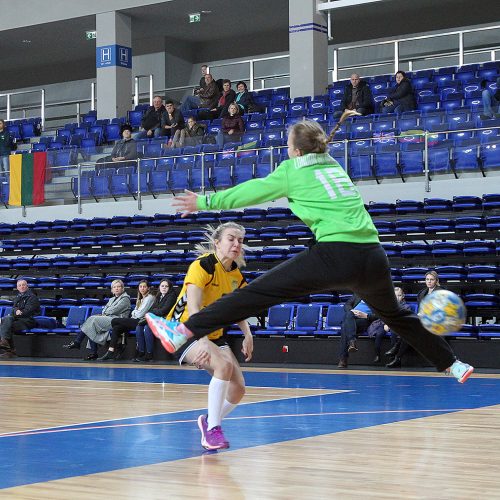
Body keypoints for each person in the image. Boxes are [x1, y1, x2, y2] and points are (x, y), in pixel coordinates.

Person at [146, 119, 474, 386]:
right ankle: (453, 364)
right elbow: (316, 155)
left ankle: (184, 330)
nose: (286, 151)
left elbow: (251, 191)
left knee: (258, 292)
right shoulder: (333, 165)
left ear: (296, 150)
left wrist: (205, 202)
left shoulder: (292, 171)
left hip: (336, 254)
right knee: (398, 317)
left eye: (289, 146)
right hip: (373, 257)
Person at [164, 222, 253, 450]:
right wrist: (201, 340)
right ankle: (213, 431)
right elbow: (193, 307)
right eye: (231, 239)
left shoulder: (235, 273)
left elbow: (239, 307)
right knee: (223, 366)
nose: (236, 244)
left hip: (213, 332)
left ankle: (209, 421)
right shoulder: (202, 265)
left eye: (240, 241)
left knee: (239, 388)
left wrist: (247, 334)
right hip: (184, 331)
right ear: (217, 242)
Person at [386, 271, 444, 368]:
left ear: (436, 281)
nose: (429, 281)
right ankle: (397, 357)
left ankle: (396, 351)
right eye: (427, 279)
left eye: (431, 279)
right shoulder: (422, 292)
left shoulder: (440, 291)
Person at [63, 279, 131, 360]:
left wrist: (106, 312)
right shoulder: (112, 299)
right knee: (91, 326)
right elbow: (104, 310)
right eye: (114, 287)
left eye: (118, 286)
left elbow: (114, 310)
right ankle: (93, 353)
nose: (116, 288)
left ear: (122, 288)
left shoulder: (125, 299)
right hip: (109, 318)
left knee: (92, 319)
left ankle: (78, 342)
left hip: (118, 321)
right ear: (112, 289)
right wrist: (106, 312)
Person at [98, 280, 155, 361]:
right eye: (140, 287)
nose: (142, 288)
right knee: (117, 327)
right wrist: (135, 312)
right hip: (135, 320)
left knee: (115, 321)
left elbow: (139, 314)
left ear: (148, 288)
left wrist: (135, 312)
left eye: (144, 287)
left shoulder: (149, 298)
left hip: (141, 321)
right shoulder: (141, 298)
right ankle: (110, 352)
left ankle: (138, 351)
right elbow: (135, 312)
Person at [134, 279, 177, 362]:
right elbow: (152, 309)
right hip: (157, 318)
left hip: (166, 320)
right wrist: (154, 311)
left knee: (148, 327)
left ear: (169, 288)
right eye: (162, 286)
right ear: (159, 287)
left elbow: (164, 311)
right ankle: (141, 352)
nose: (164, 288)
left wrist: (154, 312)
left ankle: (149, 354)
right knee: (139, 326)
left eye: (166, 286)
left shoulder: (172, 296)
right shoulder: (159, 295)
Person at [0, 279, 40, 359]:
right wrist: (16, 311)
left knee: (6, 325)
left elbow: (27, 312)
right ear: (17, 288)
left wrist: (18, 311)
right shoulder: (18, 297)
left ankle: (9, 348)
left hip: (29, 321)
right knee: (6, 321)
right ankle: (7, 345)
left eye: (23, 285)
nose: (22, 286)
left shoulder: (32, 297)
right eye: (20, 285)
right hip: (19, 320)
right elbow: (14, 309)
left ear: (27, 286)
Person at [337, 294, 378, 369]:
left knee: (344, 326)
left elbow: (381, 315)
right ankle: (352, 341)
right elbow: (347, 304)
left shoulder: (377, 297)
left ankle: (343, 359)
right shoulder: (358, 293)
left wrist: (366, 316)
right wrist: (352, 311)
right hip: (352, 318)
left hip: (365, 320)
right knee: (348, 315)